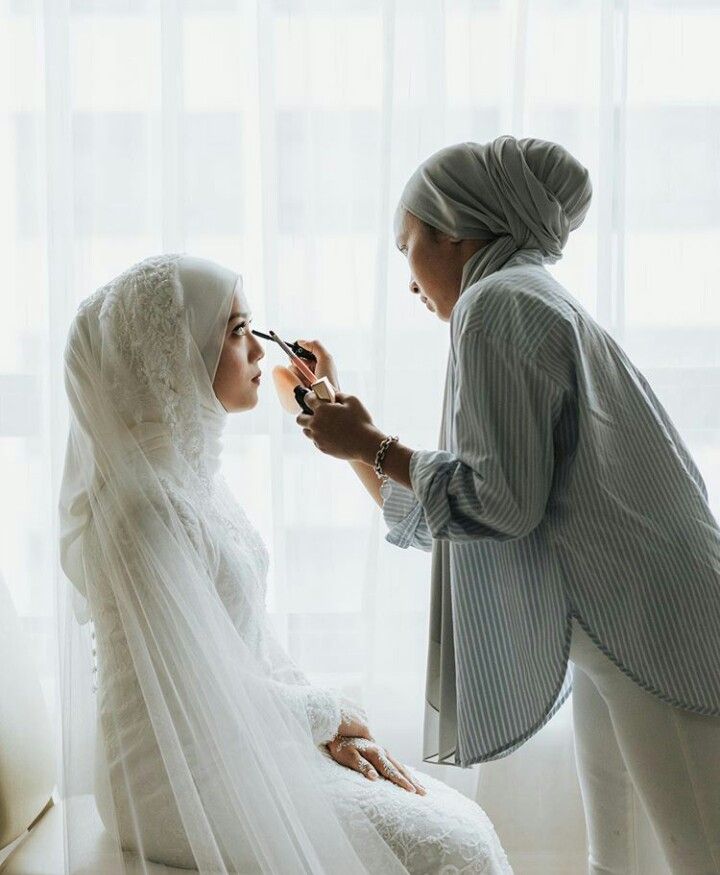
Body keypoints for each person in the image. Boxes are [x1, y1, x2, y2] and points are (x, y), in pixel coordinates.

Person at [295, 135, 720, 874]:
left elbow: (496, 503)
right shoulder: (524, 294)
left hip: (653, 620)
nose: (408, 280)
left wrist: (371, 439)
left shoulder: (494, 305)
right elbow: (460, 512)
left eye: (407, 245)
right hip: (631, 614)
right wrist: (359, 439)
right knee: (618, 854)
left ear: (455, 230)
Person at [57, 253, 513, 874]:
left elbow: (250, 647)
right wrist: (326, 714)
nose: (260, 356)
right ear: (173, 351)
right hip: (170, 774)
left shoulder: (192, 481)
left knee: (454, 825)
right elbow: (197, 692)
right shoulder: (143, 508)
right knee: (448, 847)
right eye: (239, 331)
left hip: (236, 737)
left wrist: (326, 721)